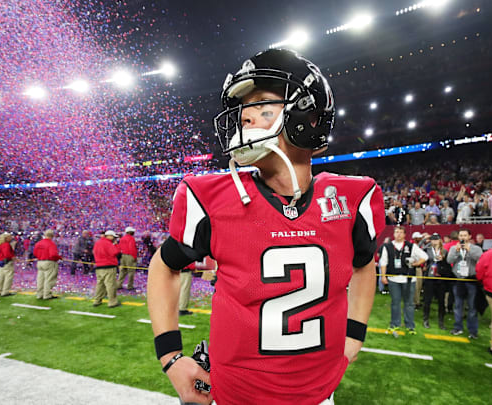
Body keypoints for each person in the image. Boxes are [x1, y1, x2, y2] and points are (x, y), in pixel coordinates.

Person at [147, 49, 385, 404]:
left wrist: (354, 336)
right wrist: (171, 357)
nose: (246, 118)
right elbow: (164, 266)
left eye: (262, 106)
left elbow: (364, 264)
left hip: (319, 394)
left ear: (309, 115)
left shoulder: (354, 196)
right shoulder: (209, 196)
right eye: (244, 109)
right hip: (234, 394)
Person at [380, 227, 428, 333]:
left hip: (409, 279)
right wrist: (383, 276)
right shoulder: (387, 246)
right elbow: (383, 262)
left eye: (401, 232)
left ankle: (410, 325)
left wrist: (416, 263)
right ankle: (394, 323)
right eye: (396, 232)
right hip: (393, 279)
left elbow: (425, 256)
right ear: (393, 234)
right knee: (395, 303)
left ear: (405, 234)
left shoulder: (411, 246)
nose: (398, 234)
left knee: (409, 303)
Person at [447, 229, 483, 338]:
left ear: (469, 236)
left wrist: (469, 250)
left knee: (472, 307)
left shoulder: (476, 248)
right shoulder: (454, 248)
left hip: (471, 279)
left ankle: (473, 331)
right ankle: (458, 327)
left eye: (465, 235)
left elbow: (480, 259)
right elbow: (449, 260)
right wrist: (457, 251)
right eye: (461, 235)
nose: (462, 237)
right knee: (458, 306)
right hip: (459, 280)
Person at [423, 234, 452, 329]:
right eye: (433, 240)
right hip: (429, 278)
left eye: (436, 240)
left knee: (441, 301)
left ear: (440, 240)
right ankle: (426, 319)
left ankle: (441, 321)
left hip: (440, 279)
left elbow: (448, 266)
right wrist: (424, 240)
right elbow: (419, 251)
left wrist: (442, 260)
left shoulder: (444, 251)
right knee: (427, 300)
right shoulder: (427, 250)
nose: (434, 241)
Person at [93, 230, 121, 308]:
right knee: (110, 285)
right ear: (110, 236)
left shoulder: (97, 243)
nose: (114, 239)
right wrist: (116, 245)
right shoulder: (108, 243)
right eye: (113, 237)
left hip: (99, 266)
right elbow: (115, 252)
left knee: (100, 285)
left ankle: (97, 300)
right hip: (109, 266)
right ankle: (112, 302)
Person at [33, 229, 61, 300]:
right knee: (49, 279)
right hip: (49, 262)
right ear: (52, 236)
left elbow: (34, 253)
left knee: (40, 279)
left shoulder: (38, 243)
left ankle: (40, 294)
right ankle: (47, 295)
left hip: (40, 262)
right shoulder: (51, 244)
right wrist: (59, 257)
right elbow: (53, 254)